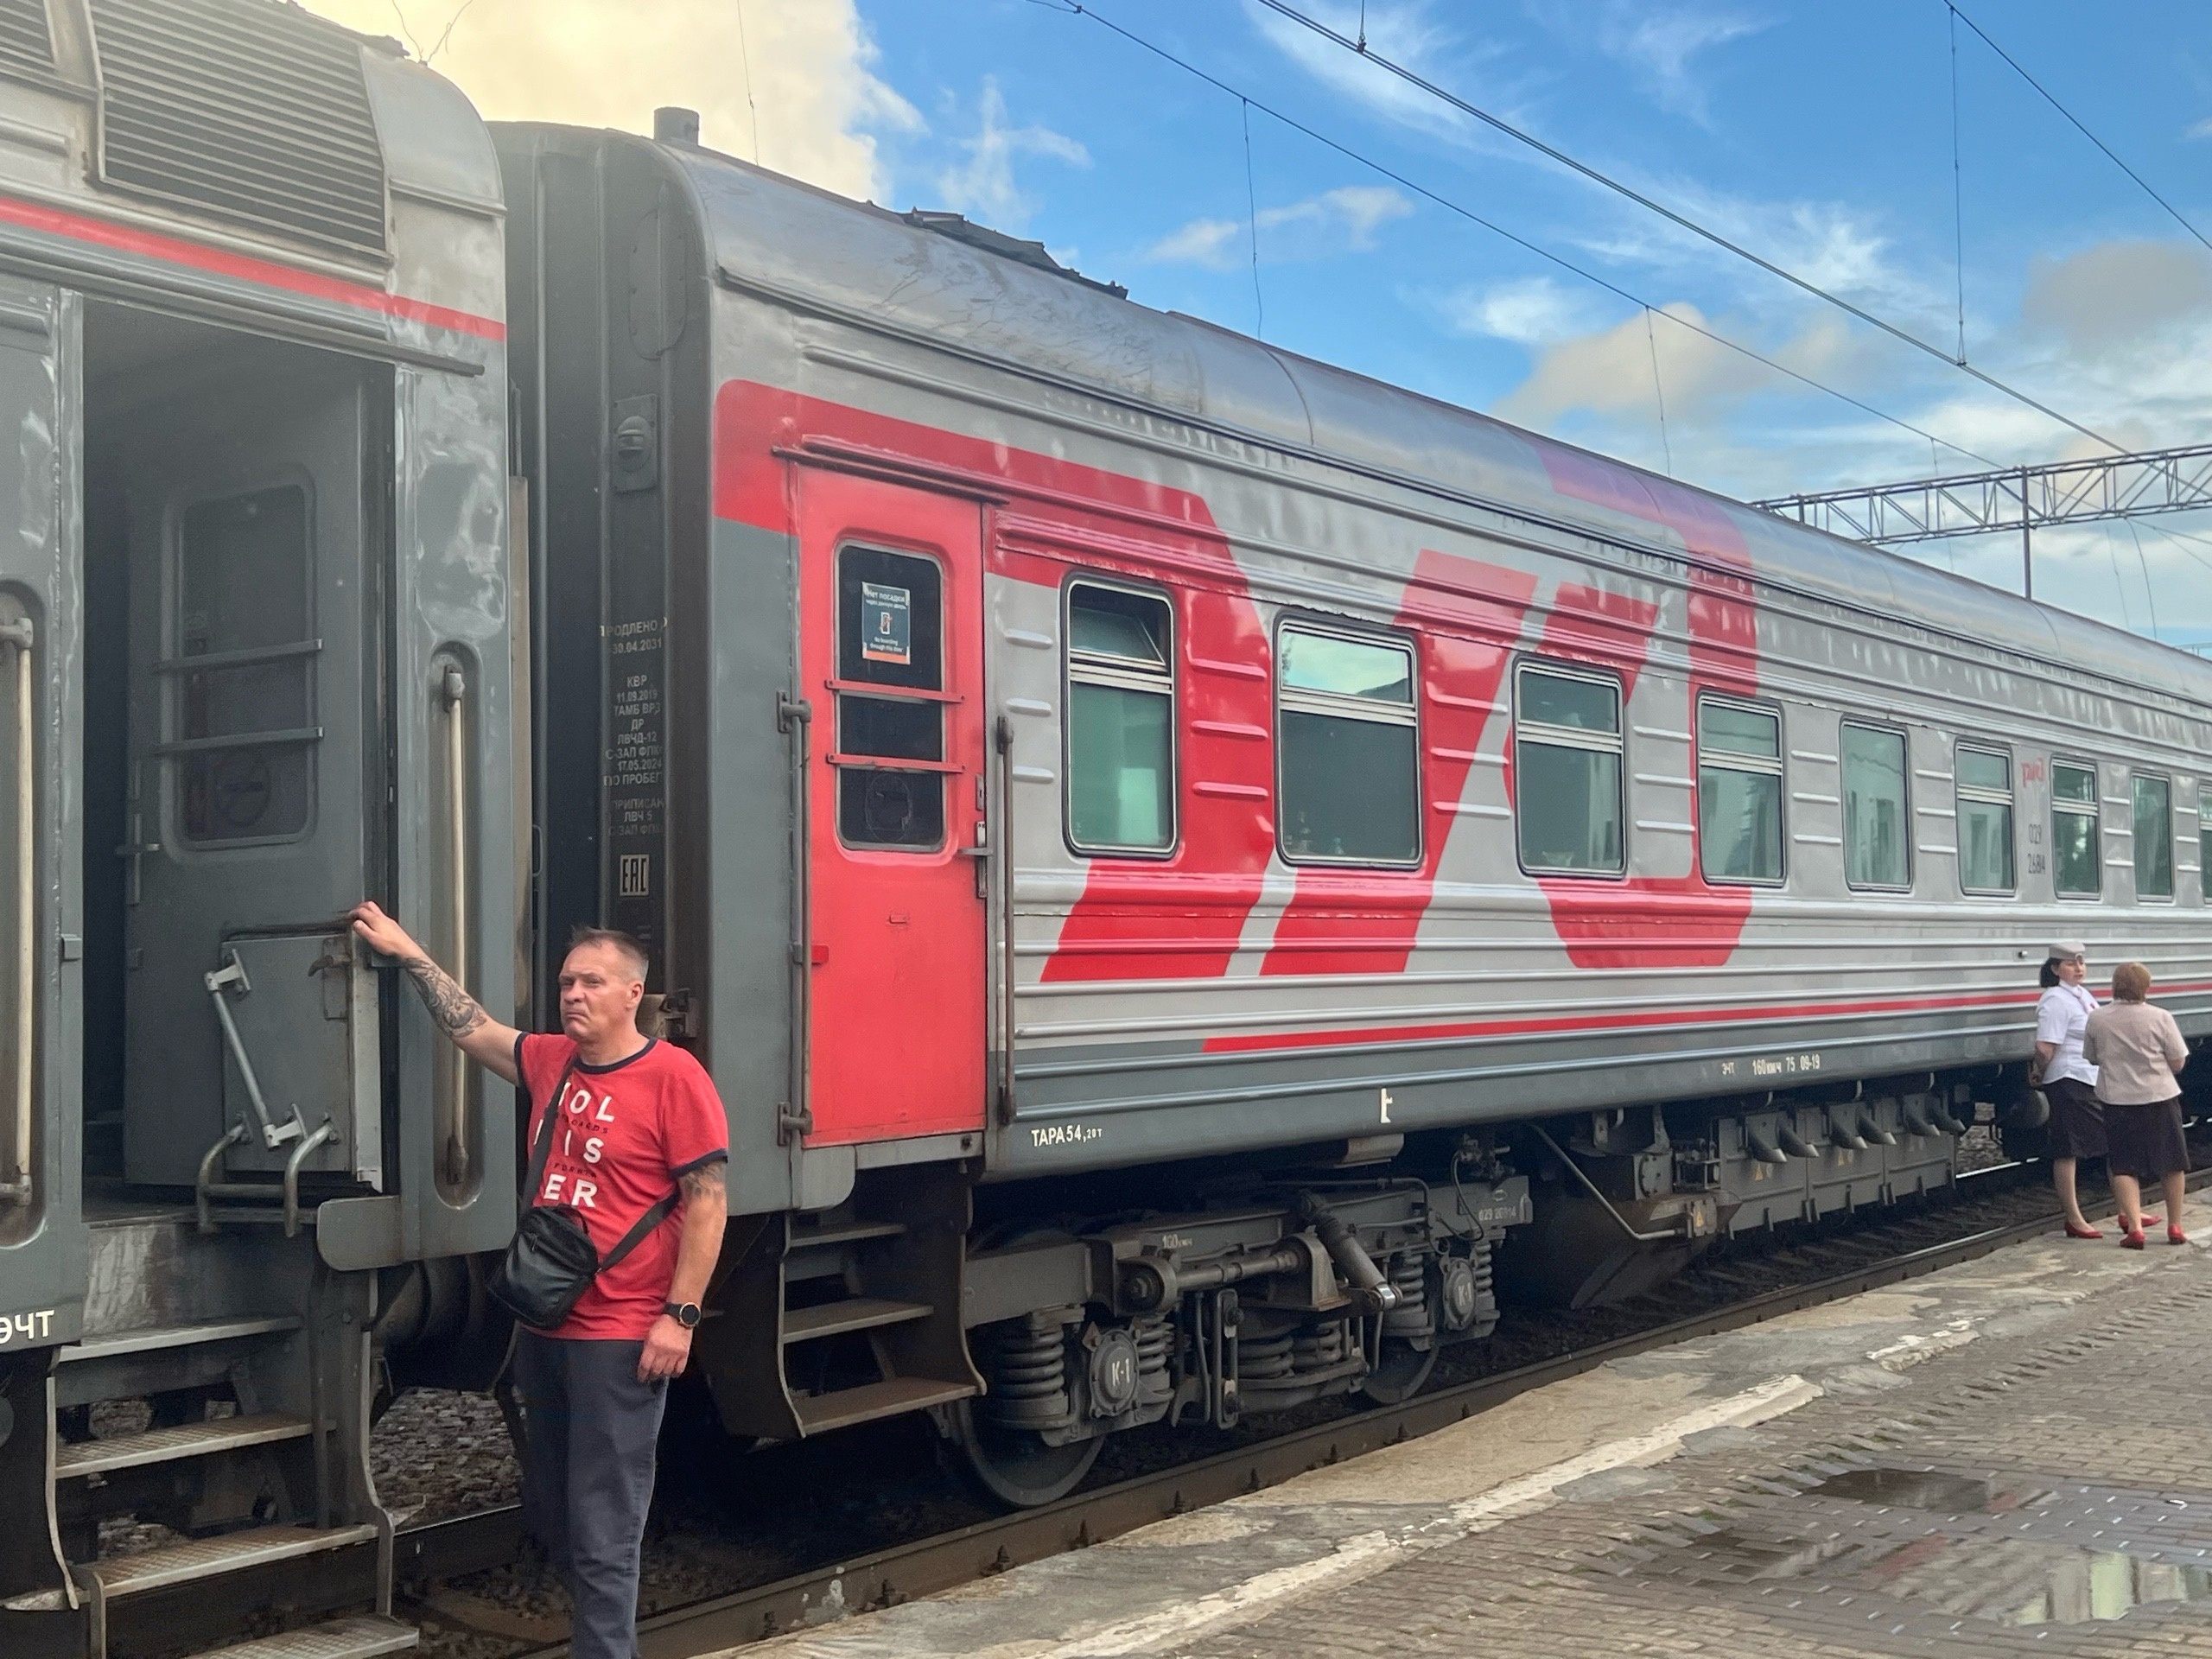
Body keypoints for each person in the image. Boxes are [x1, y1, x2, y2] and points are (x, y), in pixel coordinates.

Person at [349, 901, 728, 1659]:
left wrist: (679, 1316)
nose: (573, 995)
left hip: (620, 1337)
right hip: (545, 1324)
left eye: (592, 982)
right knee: (555, 1510)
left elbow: (708, 1202)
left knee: (604, 1524)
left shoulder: (673, 1077)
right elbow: (472, 1028)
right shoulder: (553, 1060)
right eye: (565, 983)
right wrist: (409, 952)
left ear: (633, 994)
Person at [2083, 960, 2190, 1249]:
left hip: (2118, 1100)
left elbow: (2091, 1057)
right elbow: (2178, 1062)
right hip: (2160, 1098)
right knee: (2172, 1163)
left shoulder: (2097, 1018)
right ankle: (2175, 1225)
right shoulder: (2161, 1017)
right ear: (2146, 986)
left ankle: (2135, 1228)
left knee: (2124, 1166)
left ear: (2114, 986)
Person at [2031, 941, 2112, 1239]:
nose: (2079, 968)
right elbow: (2045, 1046)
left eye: (2081, 962)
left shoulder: (2080, 995)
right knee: (2068, 1150)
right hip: (2069, 1079)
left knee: (2112, 1141)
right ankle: (2074, 1218)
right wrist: (2040, 1072)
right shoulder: (2055, 999)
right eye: (2070, 963)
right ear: (2055, 969)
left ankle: (2128, 1209)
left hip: (2089, 1077)